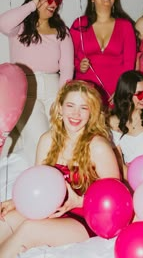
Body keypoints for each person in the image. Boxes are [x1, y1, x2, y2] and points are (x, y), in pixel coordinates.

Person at [0, 80, 120, 258]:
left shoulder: (98, 147)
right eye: (70, 105)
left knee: (29, 230)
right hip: (48, 211)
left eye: (84, 108)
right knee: (5, 219)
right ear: (60, 108)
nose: (75, 114)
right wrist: (17, 201)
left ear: (92, 113)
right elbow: (36, 187)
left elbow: (115, 199)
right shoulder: (47, 140)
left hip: (84, 218)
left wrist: (79, 202)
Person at [0, 0, 74, 165]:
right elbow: (3, 22)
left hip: (53, 88)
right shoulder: (19, 28)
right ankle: (41, 178)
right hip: (26, 90)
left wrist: (62, 97)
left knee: (58, 136)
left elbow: (66, 67)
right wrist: (32, 5)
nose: (54, 4)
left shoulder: (61, 31)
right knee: (39, 139)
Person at [70, 0, 137, 106]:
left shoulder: (125, 26)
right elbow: (68, 57)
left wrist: (121, 90)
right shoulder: (80, 23)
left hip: (116, 92)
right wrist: (79, 65)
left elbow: (129, 63)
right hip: (86, 92)